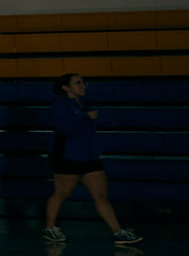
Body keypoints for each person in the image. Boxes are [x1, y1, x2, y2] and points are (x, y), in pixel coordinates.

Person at [43, 73, 141, 247]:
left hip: (89, 157)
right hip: (67, 156)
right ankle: (50, 227)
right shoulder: (60, 105)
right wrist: (85, 117)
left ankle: (118, 232)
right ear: (66, 87)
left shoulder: (83, 105)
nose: (83, 86)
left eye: (83, 83)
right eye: (78, 83)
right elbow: (64, 127)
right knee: (63, 192)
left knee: (101, 195)